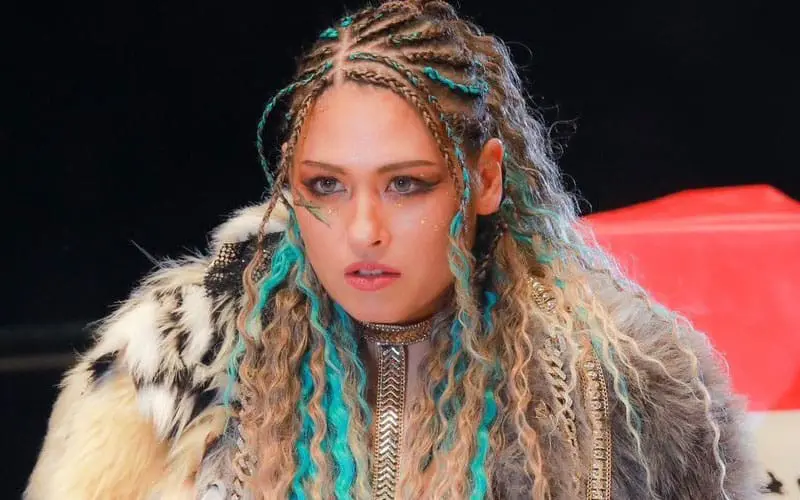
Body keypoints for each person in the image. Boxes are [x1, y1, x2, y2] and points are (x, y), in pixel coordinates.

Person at [25, 1, 757, 498]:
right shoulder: (171, 369)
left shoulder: (621, 384)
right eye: (326, 185)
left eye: (406, 184)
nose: (363, 230)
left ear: (486, 179)